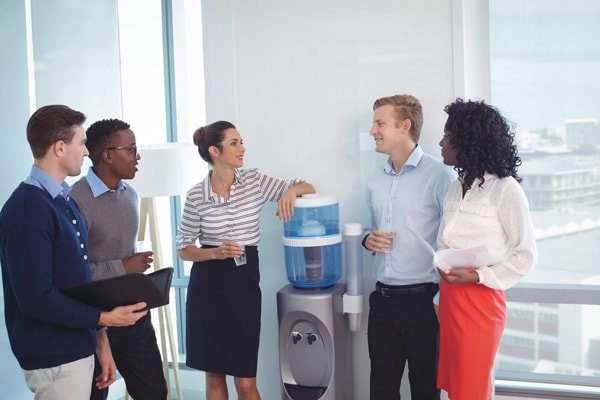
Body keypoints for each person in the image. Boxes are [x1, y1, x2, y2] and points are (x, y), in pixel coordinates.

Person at [0, 105, 148, 400]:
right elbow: (35, 299)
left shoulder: (63, 202)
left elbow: (78, 286)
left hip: (80, 348)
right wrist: (105, 318)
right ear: (59, 147)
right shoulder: (27, 211)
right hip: (54, 356)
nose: (85, 152)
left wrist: (100, 341)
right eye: (81, 143)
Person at [177, 120, 315, 400]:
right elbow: (183, 248)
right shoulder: (195, 196)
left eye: (241, 142)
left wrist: (290, 191)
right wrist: (215, 253)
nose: (243, 149)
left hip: (243, 287)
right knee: (214, 375)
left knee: (245, 381)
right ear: (215, 151)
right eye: (234, 143)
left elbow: (308, 187)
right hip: (207, 290)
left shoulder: (254, 181)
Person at [436, 98, 536, 400]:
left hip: (480, 303)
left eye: (447, 136)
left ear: (467, 140)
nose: (441, 143)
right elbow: (447, 243)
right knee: (455, 388)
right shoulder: (456, 186)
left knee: (473, 388)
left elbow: (525, 255)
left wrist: (476, 276)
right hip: (449, 301)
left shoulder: (506, 189)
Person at [362, 94, 455, 400]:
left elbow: (453, 243)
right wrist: (368, 238)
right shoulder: (375, 178)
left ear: (404, 126)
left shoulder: (441, 176)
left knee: (425, 392)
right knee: (382, 392)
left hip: (424, 304)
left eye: (380, 123)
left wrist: (442, 298)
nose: (373, 130)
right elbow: (366, 228)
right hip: (383, 302)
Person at [70, 118, 168, 400]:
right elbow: (75, 275)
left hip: (135, 317)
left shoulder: (131, 195)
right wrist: (123, 266)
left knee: (155, 394)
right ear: (108, 155)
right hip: (97, 322)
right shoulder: (76, 200)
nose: (137, 157)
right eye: (131, 149)